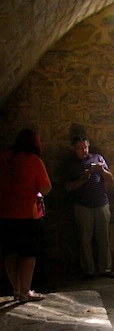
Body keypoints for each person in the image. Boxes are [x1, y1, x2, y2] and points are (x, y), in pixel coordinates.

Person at [0, 128, 51, 302]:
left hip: (4, 213)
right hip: (27, 215)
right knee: (28, 256)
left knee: (10, 254)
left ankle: (15, 290)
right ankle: (24, 292)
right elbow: (46, 187)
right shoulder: (33, 161)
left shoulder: (4, 158)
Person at [65, 135, 114, 279]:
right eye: (80, 148)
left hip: (101, 204)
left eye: (85, 147)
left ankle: (105, 268)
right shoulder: (72, 165)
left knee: (103, 238)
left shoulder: (97, 158)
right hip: (83, 206)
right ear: (74, 149)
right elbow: (68, 187)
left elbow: (111, 179)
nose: (84, 150)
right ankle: (89, 270)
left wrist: (102, 171)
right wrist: (83, 179)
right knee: (85, 239)